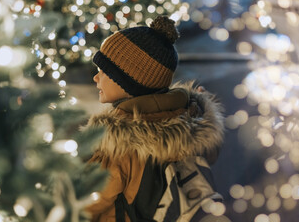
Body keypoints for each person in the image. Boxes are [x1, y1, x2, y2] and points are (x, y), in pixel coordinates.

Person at [84, 16, 225, 221]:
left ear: (130, 81)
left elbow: (89, 200)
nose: (96, 77)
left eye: (104, 71)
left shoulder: (119, 144)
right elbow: (209, 153)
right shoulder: (190, 117)